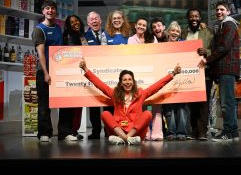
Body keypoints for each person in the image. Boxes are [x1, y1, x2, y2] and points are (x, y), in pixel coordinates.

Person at [79, 59, 182, 145]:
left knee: (148, 113)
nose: (127, 82)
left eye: (130, 79)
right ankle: (127, 139)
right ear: (121, 83)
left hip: (136, 134)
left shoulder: (141, 93)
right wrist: (85, 69)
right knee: (105, 114)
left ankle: (125, 139)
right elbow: (99, 84)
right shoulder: (115, 93)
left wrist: (173, 73)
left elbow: (157, 86)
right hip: (118, 132)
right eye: (124, 80)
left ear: (133, 81)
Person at [198, 1, 240, 142]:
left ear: (228, 11)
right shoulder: (223, 26)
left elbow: (224, 47)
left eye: (222, 9)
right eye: (217, 10)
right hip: (224, 70)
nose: (219, 12)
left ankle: (228, 132)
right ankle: (233, 133)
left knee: (226, 103)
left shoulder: (229, 24)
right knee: (228, 102)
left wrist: (207, 59)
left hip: (227, 69)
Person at [33, 0, 64, 142]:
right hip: (44, 72)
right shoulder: (39, 29)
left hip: (59, 71)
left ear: (56, 11)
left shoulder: (58, 28)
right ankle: (44, 133)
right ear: (43, 11)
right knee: (44, 105)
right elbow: (41, 54)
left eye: (52, 8)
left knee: (64, 103)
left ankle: (65, 132)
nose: (50, 11)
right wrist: (46, 73)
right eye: (47, 8)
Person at [128, 17, 163, 141]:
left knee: (156, 104)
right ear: (135, 25)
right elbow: (131, 57)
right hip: (138, 75)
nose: (141, 27)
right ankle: (145, 133)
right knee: (140, 106)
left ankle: (157, 133)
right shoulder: (131, 40)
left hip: (153, 73)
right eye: (139, 24)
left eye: (144, 25)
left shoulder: (152, 38)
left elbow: (157, 55)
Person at [181, 8, 214, 141]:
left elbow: (216, 49)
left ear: (200, 18)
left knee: (203, 104)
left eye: (196, 16)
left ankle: (202, 132)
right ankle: (193, 131)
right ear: (188, 18)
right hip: (188, 73)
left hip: (204, 72)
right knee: (191, 103)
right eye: (191, 16)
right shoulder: (183, 33)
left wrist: (206, 51)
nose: (194, 18)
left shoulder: (208, 31)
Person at [57, 15, 86, 141]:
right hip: (69, 73)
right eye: (72, 22)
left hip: (80, 73)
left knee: (78, 105)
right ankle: (64, 132)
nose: (75, 23)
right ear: (68, 25)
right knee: (67, 104)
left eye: (77, 21)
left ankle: (73, 131)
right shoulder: (66, 35)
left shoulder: (82, 35)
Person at [85, 11, 113, 140]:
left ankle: (109, 131)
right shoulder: (84, 36)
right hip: (92, 75)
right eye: (91, 19)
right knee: (94, 105)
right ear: (88, 23)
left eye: (96, 18)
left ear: (101, 21)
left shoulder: (108, 34)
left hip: (108, 73)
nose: (94, 21)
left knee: (109, 103)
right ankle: (96, 132)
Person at [162, 21, 190, 141]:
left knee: (181, 108)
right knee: (168, 108)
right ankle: (171, 132)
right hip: (167, 81)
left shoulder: (184, 44)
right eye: (172, 30)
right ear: (168, 32)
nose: (175, 33)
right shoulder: (162, 46)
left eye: (177, 31)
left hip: (182, 81)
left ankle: (182, 132)